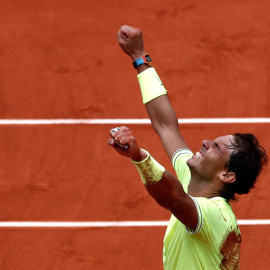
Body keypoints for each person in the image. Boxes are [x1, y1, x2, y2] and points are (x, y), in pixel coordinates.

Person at [108, 25, 268, 269]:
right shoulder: (195, 178)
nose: (204, 142)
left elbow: (175, 198)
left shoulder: (216, 215)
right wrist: (139, 57)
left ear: (226, 175)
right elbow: (165, 125)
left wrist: (140, 158)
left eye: (215, 148)